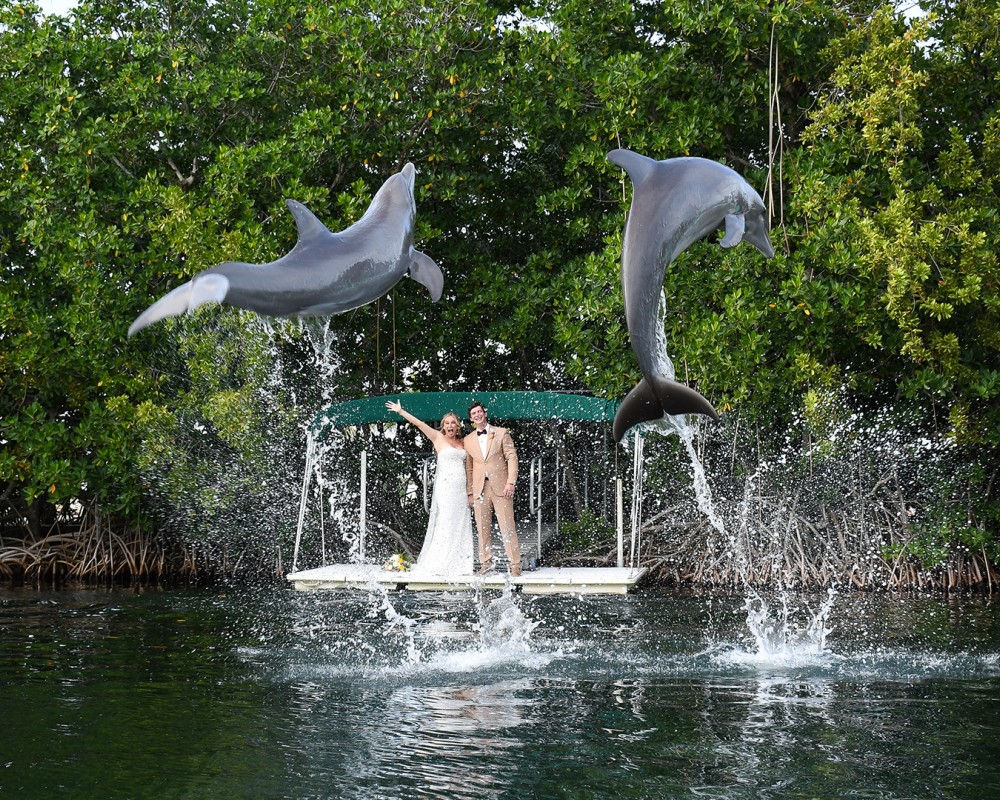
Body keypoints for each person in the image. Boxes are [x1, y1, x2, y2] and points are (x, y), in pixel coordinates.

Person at [386, 400, 474, 576]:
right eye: (447, 423)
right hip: (446, 489)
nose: (450, 425)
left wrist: (471, 492)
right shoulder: (437, 437)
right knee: (446, 523)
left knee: (461, 524)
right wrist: (401, 411)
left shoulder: (464, 442)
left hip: (461, 490)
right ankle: (441, 562)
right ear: (443, 426)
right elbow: (418, 423)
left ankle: (461, 564)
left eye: (453, 423)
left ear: (458, 426)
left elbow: (470, 466)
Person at [464, 401, 522, 576]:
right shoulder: (468, 440)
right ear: (471, 418)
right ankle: (485, 562)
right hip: (479, 489)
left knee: (507, 526)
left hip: (501, 487)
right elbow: (469, 468)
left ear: (485, 413)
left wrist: (511, 482)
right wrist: (470, 493)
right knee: (482, 528)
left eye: (479, 411)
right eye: (474, 413)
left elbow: (512, 457)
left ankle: (515, 564)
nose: (477, 415)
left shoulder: (502, 433)